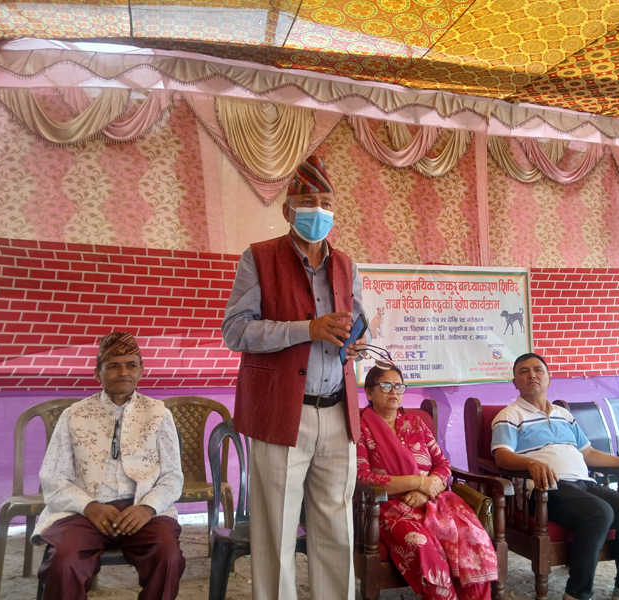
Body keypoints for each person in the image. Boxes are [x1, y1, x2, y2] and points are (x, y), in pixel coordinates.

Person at [221, 155, 368, 600]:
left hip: (338, 411)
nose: (318, 211)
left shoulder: (346, 265)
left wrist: (356, 342)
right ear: (287, 211)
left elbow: (357, 322)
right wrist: (307, 329)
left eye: (326, 203)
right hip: (283, 413)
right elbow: (236, 331)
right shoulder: (259, 258)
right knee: (277, 532)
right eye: (308, 203)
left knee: (337, 529)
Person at [33, 332, 185, 600]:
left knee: (168, 555)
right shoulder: (74, 415)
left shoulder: (159, 414)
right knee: (64, 560)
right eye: (113, 365)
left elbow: (172, 476)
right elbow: (53, 477)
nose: (123, 372)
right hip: (84, 511)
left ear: (141, 371)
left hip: (140, 508)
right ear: (98, 373)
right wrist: (89, 507)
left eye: (131, 365)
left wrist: (147, 508)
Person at [491, 353, 619, 600]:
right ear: (515, 382)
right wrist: (531, 463)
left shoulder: (563, 414)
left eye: (538, 370)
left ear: (549, 378)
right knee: (599, 512)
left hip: (584, 484)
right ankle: (577, 593)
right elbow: (502, 455)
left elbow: (588, 453)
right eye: (524, 371)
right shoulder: (509, 415)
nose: (532, 375)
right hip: (545, 489)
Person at [357, 364, 498, 600]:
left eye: (399, 386)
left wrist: (425, 490)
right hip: (388, 506)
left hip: (434, 500)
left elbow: (443, 465)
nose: (394, 391)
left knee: (473, 537)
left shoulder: (416, 423)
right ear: (369, 393)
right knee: (423, 547)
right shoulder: (361, 428)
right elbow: (363, 477)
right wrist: (417, 481)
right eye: (386, 385)